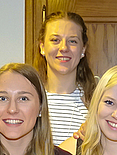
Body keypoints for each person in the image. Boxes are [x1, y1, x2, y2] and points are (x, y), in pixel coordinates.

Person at [35, 11, 95, 147]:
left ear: (83, 49)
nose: (64, 48)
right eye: (55, 40)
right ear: (42, 47)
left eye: (72, 41)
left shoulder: (98, 104)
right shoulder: (26, 100)